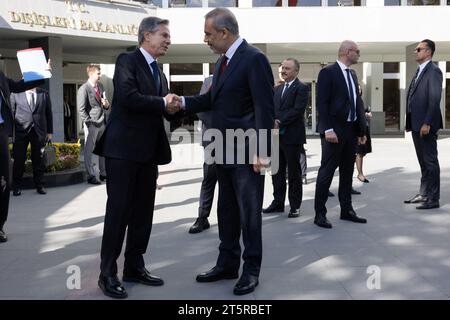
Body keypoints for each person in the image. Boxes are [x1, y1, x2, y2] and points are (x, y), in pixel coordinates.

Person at [177, 8, 274, 295]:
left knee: (249, 214)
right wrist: (181, 102)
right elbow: (211, 100)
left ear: (224, 33)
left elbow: (264, 108)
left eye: (208, 33)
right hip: (222, 150)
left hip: (247, 153)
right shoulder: (222, 63)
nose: (205, 38)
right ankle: (227, 263)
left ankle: (251, 269)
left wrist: (263, 152)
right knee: (227, 210)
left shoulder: (254, 59)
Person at [94, 16, 179, 299]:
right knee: (119, 212)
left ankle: (134, 266)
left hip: (148, 153)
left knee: (143, 213)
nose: (168, 40)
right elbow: (128, 97)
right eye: (164, 35)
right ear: (146, 36)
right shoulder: (126, 61)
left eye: (168, 36)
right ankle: (107, 274)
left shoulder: (160, 72)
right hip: (122, 152)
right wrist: (161, 102)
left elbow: (163, 107)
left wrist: (176, 106)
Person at [314, 40, 367, 229]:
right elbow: (322, 103)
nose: (359, 54)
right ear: (346, 52)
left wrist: (361, 130)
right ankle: (319, 213)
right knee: (327, 172)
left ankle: (347, 210)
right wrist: (328, 129)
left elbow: (357, 104)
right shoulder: (328, 72)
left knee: (347, 172)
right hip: (334, 131)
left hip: (351, 131)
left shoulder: (352, 75)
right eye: (357, 51)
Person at [0, 59, 51, 243]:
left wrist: (42, 73)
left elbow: (21, 85)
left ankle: (0, 225)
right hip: (15, 131)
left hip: (0, 132)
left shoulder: (2, 79)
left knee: (4, 179)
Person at [263, 58, 308, 218]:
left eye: (287, 68)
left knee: (294, 173)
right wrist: (272, 121)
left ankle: (295, 206)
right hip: (276, 137)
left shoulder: (301, 88)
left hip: (292, 137)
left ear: (296, 71)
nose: (283, 71)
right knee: (276, 172)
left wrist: (279, 121)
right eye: (282, 68)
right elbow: (270, 108)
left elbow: (297, 111)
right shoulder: (277, 89)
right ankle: (278, 203)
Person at [404, 39, 442, 210]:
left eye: (419, 49)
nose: (416, 52)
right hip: (416, 124)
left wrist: (427, 122)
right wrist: (409, 121)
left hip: (426, 124)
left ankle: (433, 198)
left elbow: (434, 99)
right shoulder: (419, 71)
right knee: (423, 162)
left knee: (430, 161)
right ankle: (424, 193)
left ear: (428, 52)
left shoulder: (433, 71)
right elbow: (413, 97)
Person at [188, 75, 218, 234]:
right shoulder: (209, 81)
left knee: (234, 182)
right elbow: (200, 107)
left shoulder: (240, 77)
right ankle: (202, 218)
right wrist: (219, 126)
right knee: (209, 178)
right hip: (213, 137)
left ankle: (234, 220)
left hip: (238, 138)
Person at [11, 87, 53, 196]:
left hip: (39, 132)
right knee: (19, 160)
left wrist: (49, 132)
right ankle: (16, 187)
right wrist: (10, 133)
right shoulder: (16, 93)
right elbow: (11, 113)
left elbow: (49, 113)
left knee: (38, 160)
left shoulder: (43, 93)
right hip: (21, 132)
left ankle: (40, 185)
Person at [77, 64, 110, 185]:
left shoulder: (100, 86)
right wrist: (89, 123)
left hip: (102, 122)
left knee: (103, 149)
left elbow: (106, 105)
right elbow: (81, 109)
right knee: (89, 150)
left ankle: (103, 173)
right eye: (98, 73)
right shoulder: (83, 89)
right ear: (91, 74)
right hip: (92, 124)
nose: (100, 75)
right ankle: (90, 175)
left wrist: (105, 103)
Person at [355, 85, 372, 184]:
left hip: (364, 129)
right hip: (357, 130)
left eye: (360, 88)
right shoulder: (353, 99)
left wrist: (367, 115)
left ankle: (359, 172)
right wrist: (365, 115)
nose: (359, 89)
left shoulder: (360, 100)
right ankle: (360, 173)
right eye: (357, 88)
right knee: (360, 152)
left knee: (363, 152)